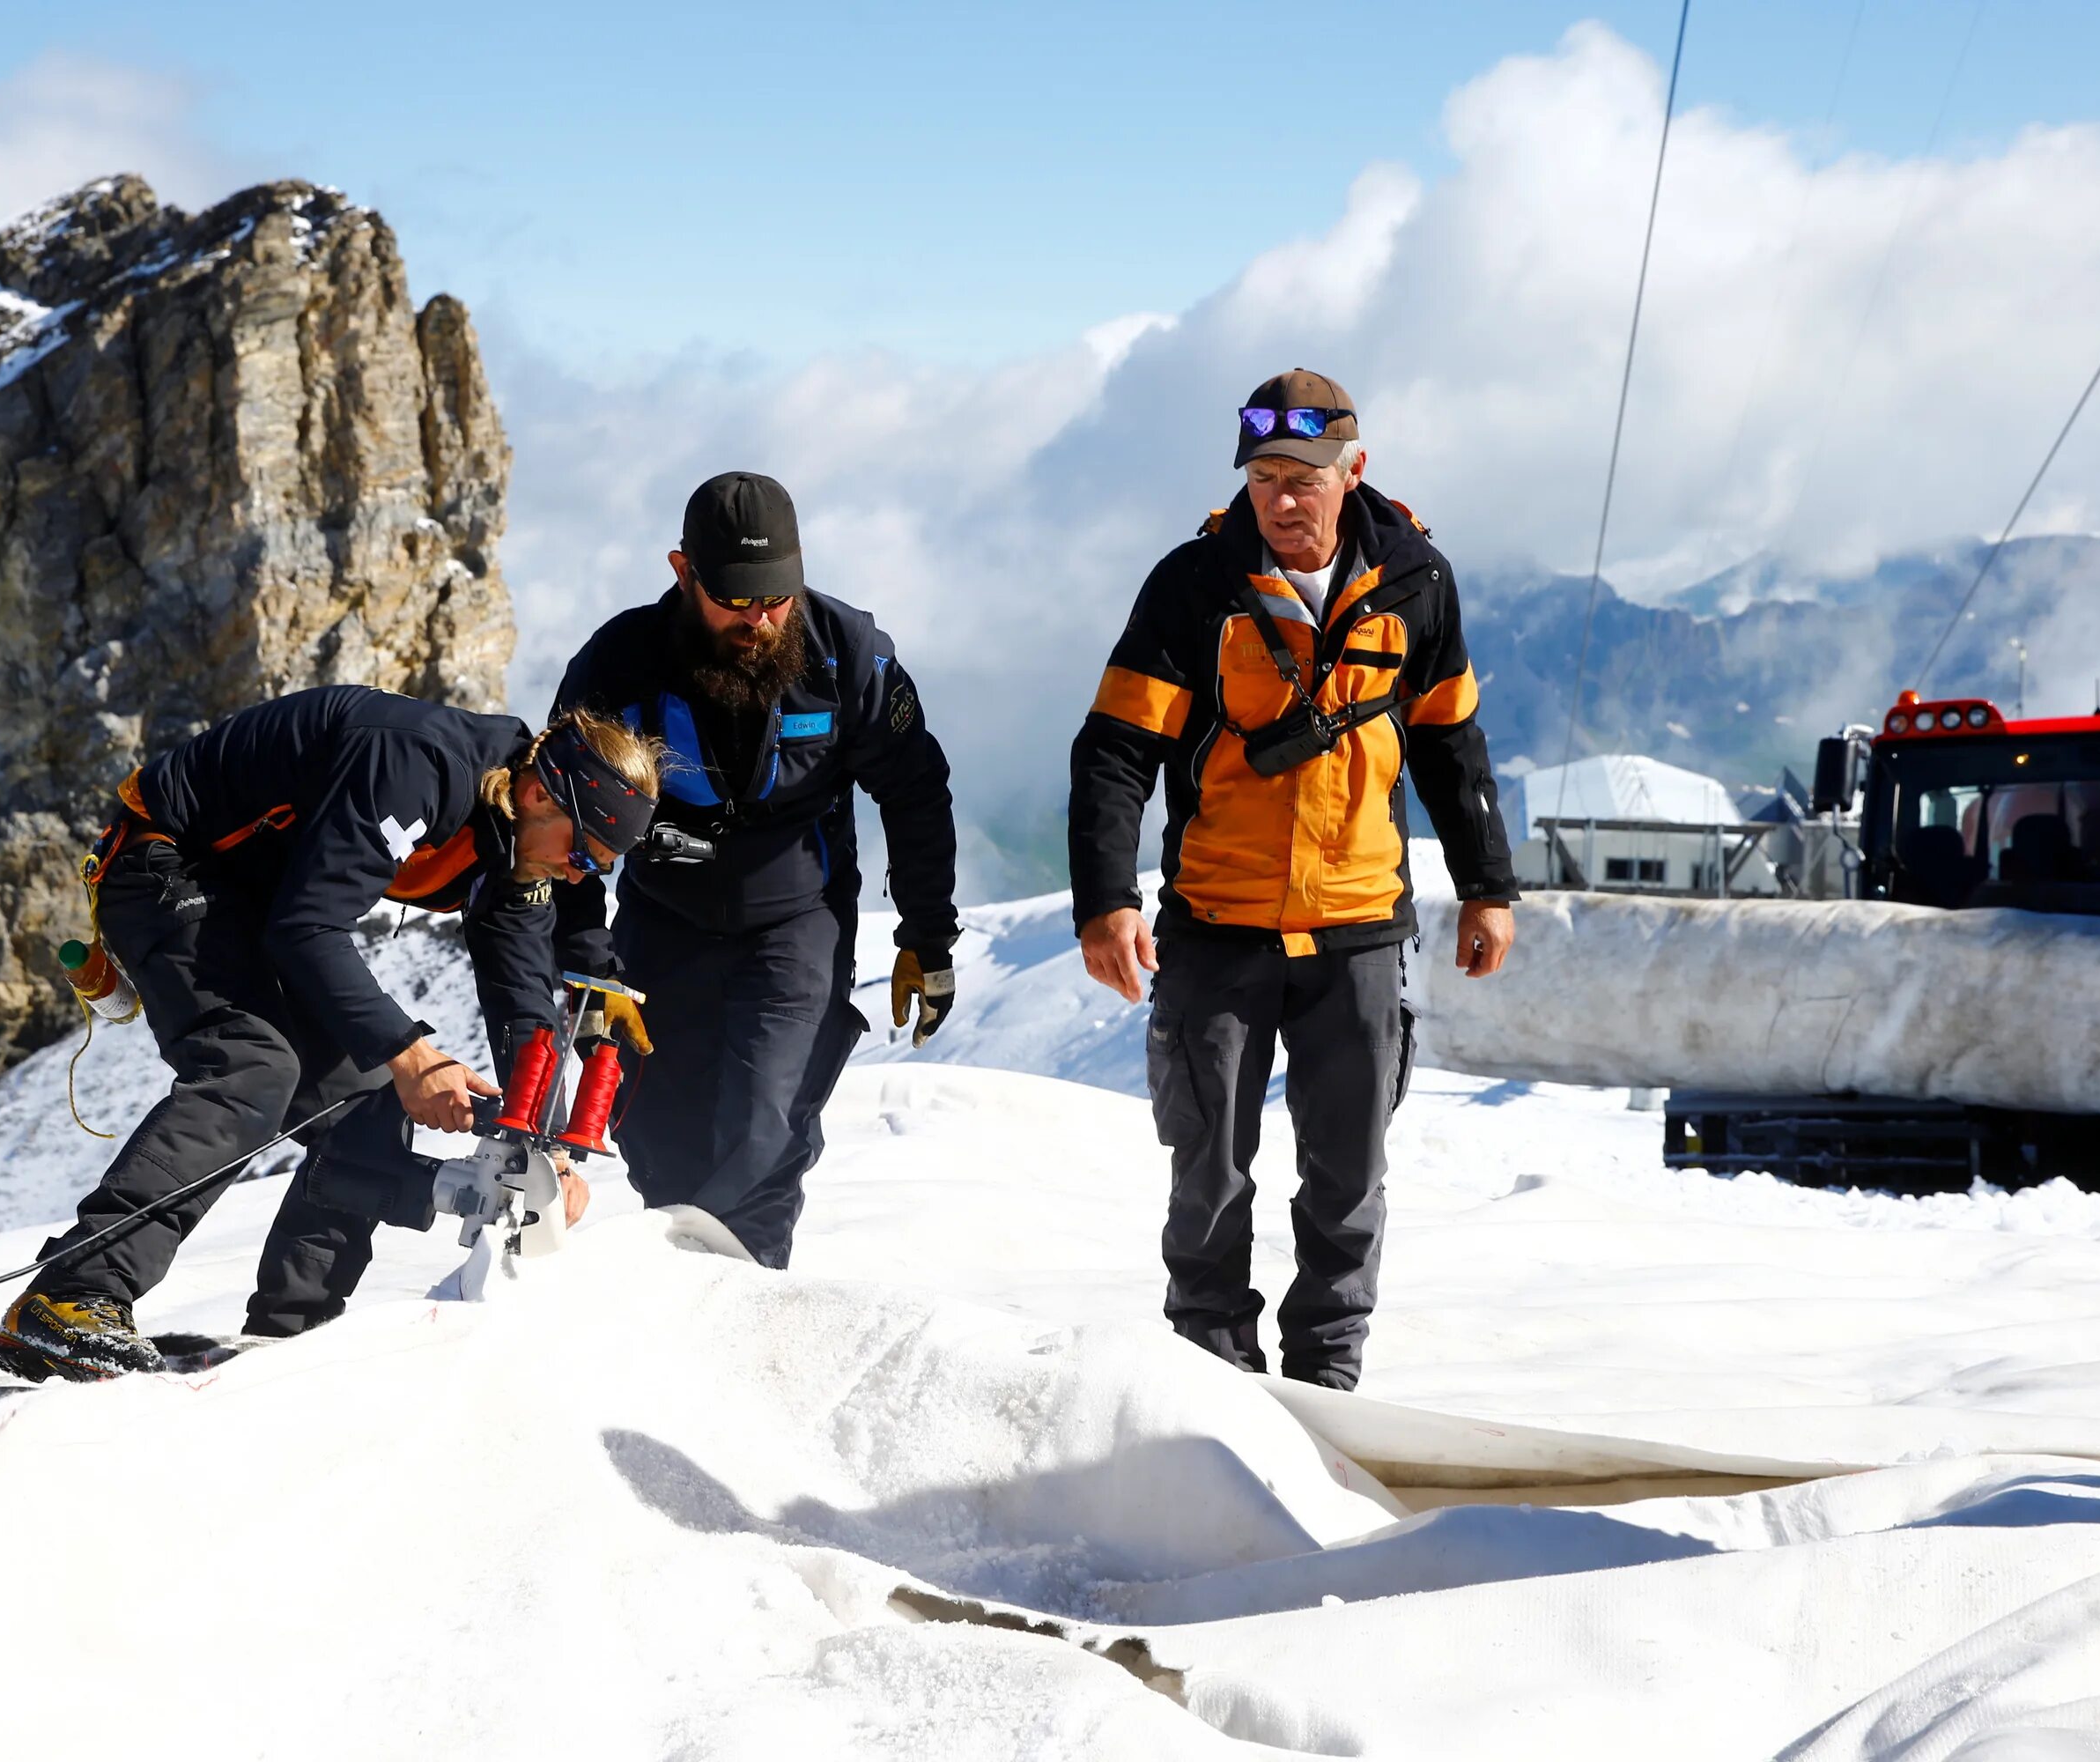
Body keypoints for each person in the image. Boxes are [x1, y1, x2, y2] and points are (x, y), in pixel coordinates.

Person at [0, 687, 665, 1382]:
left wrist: (542, 1147)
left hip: (256, 897)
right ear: (541, 798)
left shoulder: (516, 836)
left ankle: (290, 1336)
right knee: (253, 1067)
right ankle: (71, 1298)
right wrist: (413, 1053)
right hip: (168, 862)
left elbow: (523, 996)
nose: (586, 873)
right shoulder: (418, 764)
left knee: (366, 1102)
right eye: (586, 855)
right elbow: (306, 930)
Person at [1068, 370, 1520, 1390]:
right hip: (1217, 929)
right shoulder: (1193, 585)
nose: (1282, 496)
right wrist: (1105, 899)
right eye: (1265, 475)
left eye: (1304, 476)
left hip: (1359, 929)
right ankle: (1215, 1385)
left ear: (1353, 470)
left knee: (1348, 1185)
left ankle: (1328, 1388)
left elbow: (1452, 742)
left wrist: (1489, 885)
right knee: (1210, 1179)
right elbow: (1114, 750)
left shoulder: (1417, 581)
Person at [550, 470, 959, 1266]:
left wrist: (928, 936)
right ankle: (682, 1306)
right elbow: (558, 820)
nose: (760, 622)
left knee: (764, 1135)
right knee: (660, 1142)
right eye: (734, 601)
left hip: (796, 924)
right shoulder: (617, 666)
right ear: (683, 571)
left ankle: (743, 1317)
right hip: (661, 924)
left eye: (775, 599)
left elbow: (915, 791)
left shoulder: (850, 658)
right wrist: (583, 964)